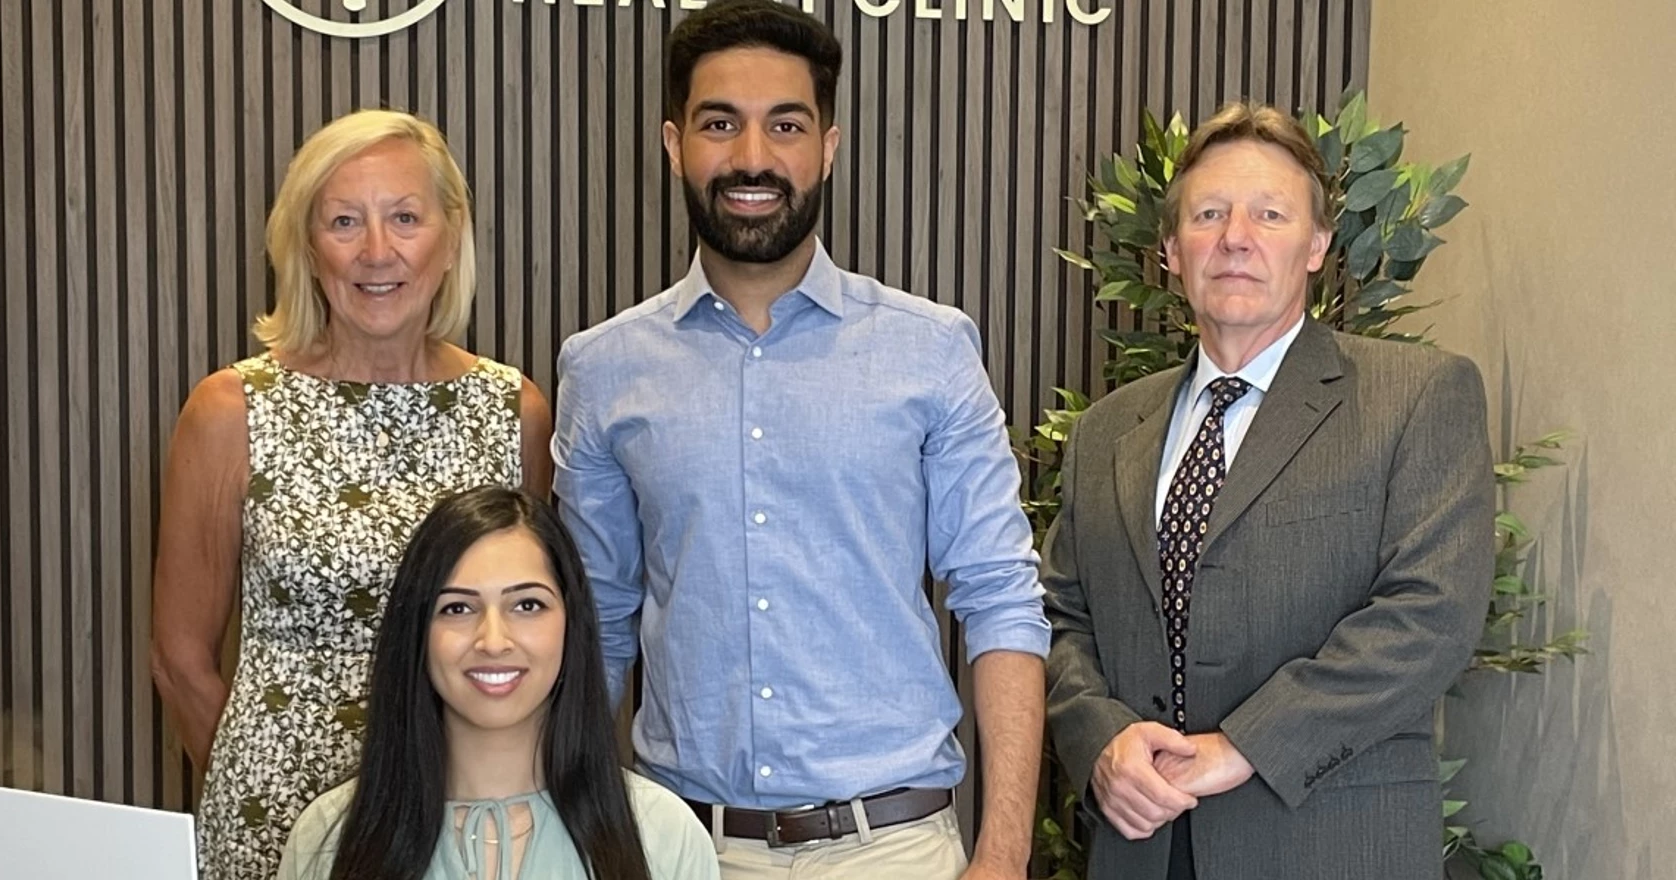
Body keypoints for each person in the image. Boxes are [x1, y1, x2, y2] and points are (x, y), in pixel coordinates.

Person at [551, 2, 1050, 877]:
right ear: (675, 145)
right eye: (719, 124)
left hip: (895, 849)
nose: (752, 158)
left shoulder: (929, 350)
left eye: (785, 125)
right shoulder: (603, 369)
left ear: (828, 144)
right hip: (680, 847)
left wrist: (1003, 852)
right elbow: (596, 625)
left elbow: (1000, 600)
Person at [1040, 100, 1495, 880]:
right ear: (1172, 252)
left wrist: (1247, 744)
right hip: (1140, 844)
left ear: (1317, 244)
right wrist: (1099, 740)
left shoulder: (1417, 395)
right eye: (1209, 214)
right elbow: (1059, 616)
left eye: (1270, 214)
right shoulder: (1108, 431)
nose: (1236, 238)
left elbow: (1431, 616)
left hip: (1329, 844)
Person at [149, 109, 553, 880]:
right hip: (274, 815)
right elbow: (179, 659)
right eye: (344, 221)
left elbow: (538, 629)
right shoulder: (231, 410)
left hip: (460, 817)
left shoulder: (514, 411)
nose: (378, 251)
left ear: (450, 234)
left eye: (404, 217)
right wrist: (257, 784)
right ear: (305, 243)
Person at [274, 486, 718, 880]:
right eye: (457, 609)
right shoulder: (328, 837)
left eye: (527, 605)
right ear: (416, 632)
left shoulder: (662, 833)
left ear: (571, 621)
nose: (493, 640)